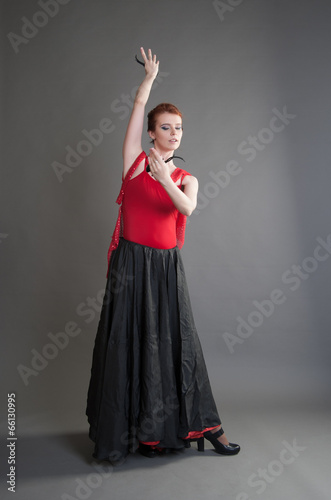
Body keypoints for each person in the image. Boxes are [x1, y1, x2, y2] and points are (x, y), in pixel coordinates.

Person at [86, 47, 240, 462]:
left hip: (165, 270)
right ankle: (138, 435)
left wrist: (164, 177)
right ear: (152, 133)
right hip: (131, 267)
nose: (174, 134)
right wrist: (149, 81)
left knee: (173, 347)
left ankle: (207, 429)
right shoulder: (133, 165)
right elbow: (137, 107)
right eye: (166, 128)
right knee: (128, 346)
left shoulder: (186, 178)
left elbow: (186, 209)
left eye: (179, 129)